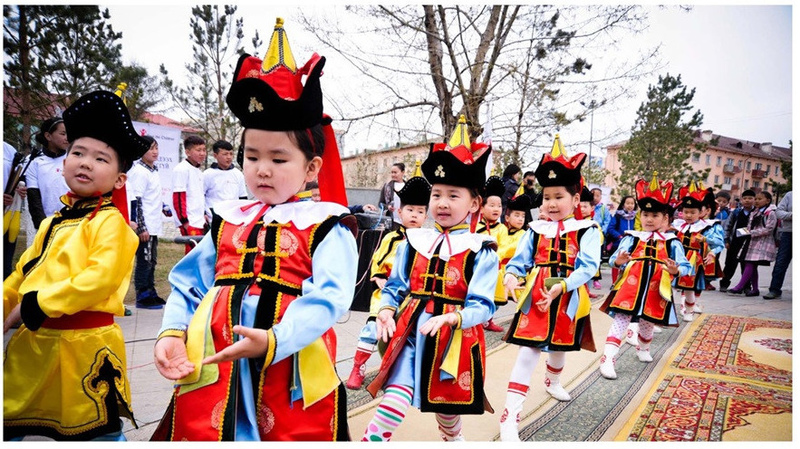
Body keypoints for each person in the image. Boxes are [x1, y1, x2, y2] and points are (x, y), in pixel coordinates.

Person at [151, 18, 356, 441]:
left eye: (279, 159)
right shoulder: (229, 218)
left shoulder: (325, 225)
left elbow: (330, 298)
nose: (262, 169)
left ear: (311, 168)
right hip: (216, 358)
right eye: (252, 156)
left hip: (288, 360)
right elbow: (189, 284)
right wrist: (172, 331)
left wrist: (276, 339)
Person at [3, 90, 149, 441]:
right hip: (35, 346)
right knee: (11, 421)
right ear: (63, 162)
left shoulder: (111, 224)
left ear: (119, 179)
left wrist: (32, 306)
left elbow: (98, 280)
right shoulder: (53, 222)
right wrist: (6, 303)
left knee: (96, 432)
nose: (85, 163)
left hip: (85, 349)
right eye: (78, 152)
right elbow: (23, 273)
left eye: (100, 158)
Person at [363, 116, 497, 442]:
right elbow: (395, 286)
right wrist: (385, 311)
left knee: (447, 411)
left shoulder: (481, 250)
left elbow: (483, 306)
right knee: (393, 401)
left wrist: (453, 317)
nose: (442, 203)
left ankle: (453, 439)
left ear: (474, 203)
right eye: (436, 194)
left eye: (453, 195)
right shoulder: (414, 241)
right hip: (411, 331)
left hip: (453, 339)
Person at [499, 135, 601, 441]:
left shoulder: (587, 229)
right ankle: (510, 415)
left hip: (568, 295)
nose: (551, 203)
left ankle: (553, 381)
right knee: (527, 351)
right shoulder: (535, 229)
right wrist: (511, 275)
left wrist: (565, 285)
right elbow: (520, 261)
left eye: (559, 196)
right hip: (538, 297)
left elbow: (589, 267)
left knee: (559, 348)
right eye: (546, 197)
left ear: (575, 199)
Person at [598, 173, 692, 380]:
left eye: (655, 215)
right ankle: (608, 359)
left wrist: (675, 271)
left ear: (665, 218)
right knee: (621, 321)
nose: (649, 219)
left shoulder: (671, 242)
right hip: (629, 289)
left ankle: (643, 347)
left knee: (648, 322)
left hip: (655, 289)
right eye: (646, 214)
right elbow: (613, 259)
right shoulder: (632, 238)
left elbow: (686, 266)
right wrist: (618, 261)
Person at [345, 173, 430, 390]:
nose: (414, 215)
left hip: (413, 297)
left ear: (426, 216)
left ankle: (396, 370)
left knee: (408, 334)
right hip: (386, 293)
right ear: (400, 212)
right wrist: (379, 278)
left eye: (420, 212)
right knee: (372, 329)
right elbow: (377, 262)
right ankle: (358, 367)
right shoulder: (391, 238)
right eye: (410, 210)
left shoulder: (429, 242)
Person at [672, 181, 724, 321]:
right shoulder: (677, 225)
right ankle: (666, 313)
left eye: (692, 212)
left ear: (700, 212)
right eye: (686, 212)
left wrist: (709, 248)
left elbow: (719, 244)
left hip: (693, 261)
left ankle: (689, 310)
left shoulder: (706, 227)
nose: (688, 215)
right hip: (676, 258)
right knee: (671, 286)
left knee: (689, 288)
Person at [127, 135, 167, 309]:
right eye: (150, 148)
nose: (155, 152)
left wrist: (164, 207)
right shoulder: (139, 172)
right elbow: (136, 200)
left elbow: (152, 197)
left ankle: (151, 291)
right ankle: (142, 295)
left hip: (154, 224)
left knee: (152, 260)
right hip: (146, 226)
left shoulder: (153, 171)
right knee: (144, 260)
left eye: (156, 148)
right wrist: (141, 227)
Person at [727, 191, 778, 296]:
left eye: (760, 199)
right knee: (752, 265)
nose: (757, 201)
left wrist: (752, 232)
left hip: (763, 243)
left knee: (750, 263)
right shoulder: (755, 212)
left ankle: (740, 286)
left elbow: (769, 229)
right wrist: (743, 232)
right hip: (752, 242)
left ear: (768, 201)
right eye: (756, 199)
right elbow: (749, 227)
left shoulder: (770, 213)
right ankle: (755, 289)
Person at [26, 117, 70, 230]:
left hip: (73, 223)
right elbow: (34, 198)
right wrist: (43, 227)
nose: (67, 138)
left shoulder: (73, 159)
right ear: (48, 136)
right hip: (48, 224)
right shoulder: (34, 162)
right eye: (63, 134)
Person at [477, 175, 509, 332]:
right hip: (478, 267)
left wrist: (494, 257)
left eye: (499, 206)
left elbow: (504, 246)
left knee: (494, 297)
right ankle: (476, 319)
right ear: (482, 208)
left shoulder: (502, 228)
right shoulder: (475, 226)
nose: (496, 209)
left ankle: (488, 320)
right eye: (492, 205)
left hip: (496, 268)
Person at [172, 135, 207, 253]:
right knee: (193, 253)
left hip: (199, 219)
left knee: (201, 253)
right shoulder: (181, 169)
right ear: (187, 152)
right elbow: (178, 197)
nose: (202, 153)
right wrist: (185, 221)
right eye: (198, 150)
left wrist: (203, 214)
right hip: (190, 220)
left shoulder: (198, 170)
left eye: (204, 150)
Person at [719, 189, 756, 292]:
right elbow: (728, 226)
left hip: (749, 243)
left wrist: (748, 233)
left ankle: (746, 286)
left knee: (746, 266)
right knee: (729, 264)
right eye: (745, 198)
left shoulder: (756, 213)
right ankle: (724, 284)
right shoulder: (736, 212)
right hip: (734, 242)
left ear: (754, 200)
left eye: (750, 198)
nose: (747, 200)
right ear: (741, 200)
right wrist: (726, 240)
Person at [203, 139, 248, 214]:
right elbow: (200, 197)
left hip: (233, 214)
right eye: (225, 154)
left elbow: (243, 197)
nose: (229, 157)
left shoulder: (238, 174)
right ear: (215, 155)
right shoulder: (207, 174)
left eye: (231, 154)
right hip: (213, 214)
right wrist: (204, 213)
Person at [4, 142, 28, 279]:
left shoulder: (9, 150)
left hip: (7, 214)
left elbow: (19, 177)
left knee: (5, 264)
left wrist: (20, 189)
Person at [764, 191, 792, 299]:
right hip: (789, 233)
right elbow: (779, 212)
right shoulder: (790, 195)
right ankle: (774, 289)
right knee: (781, 262)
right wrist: (792, 215)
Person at [606, 195, 637, 282]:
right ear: (623, 205)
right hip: (618, 243)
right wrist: (619, 236)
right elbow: (610, 228)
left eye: (632, 203)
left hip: (632, 244)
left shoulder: (637, 217)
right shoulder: (618, 216)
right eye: (628, 203)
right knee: (617, 263)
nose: (630, 205)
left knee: (630, 264)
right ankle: (615, 282)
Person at [579, 186, 602, 299]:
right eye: (580, 206)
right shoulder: (574, 222)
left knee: (585, 279)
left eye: (585, 206)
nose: (582, 209)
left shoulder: (593, 224)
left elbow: (600, 240)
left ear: (592, 208)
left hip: (586, 258)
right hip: (575, 257)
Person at [378, 162, 406, 230]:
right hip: (392, 221)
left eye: (395, 172)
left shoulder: (408, 187)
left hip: (405, 221)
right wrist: (388, 207)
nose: (393, 175)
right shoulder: (387, 187)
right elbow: (380, 204)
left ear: (403, 172)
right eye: (392, 172)